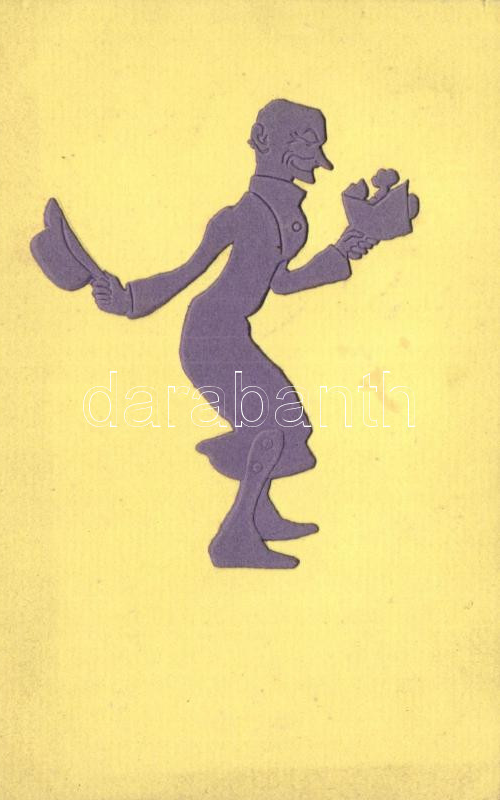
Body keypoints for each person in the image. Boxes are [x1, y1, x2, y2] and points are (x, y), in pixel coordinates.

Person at [92, 99, 377, 568]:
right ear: (268, 144)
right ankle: (234, 537)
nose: (314, 159)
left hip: (231, 334)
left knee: (289, 425)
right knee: (270, 427)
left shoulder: (292, 219)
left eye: (315, 147)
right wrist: (128, 299)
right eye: (304, 145)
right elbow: (187, 272)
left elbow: (281, 282)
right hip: (208, 337)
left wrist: (341, 253)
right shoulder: (237, 216)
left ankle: (259, 514)